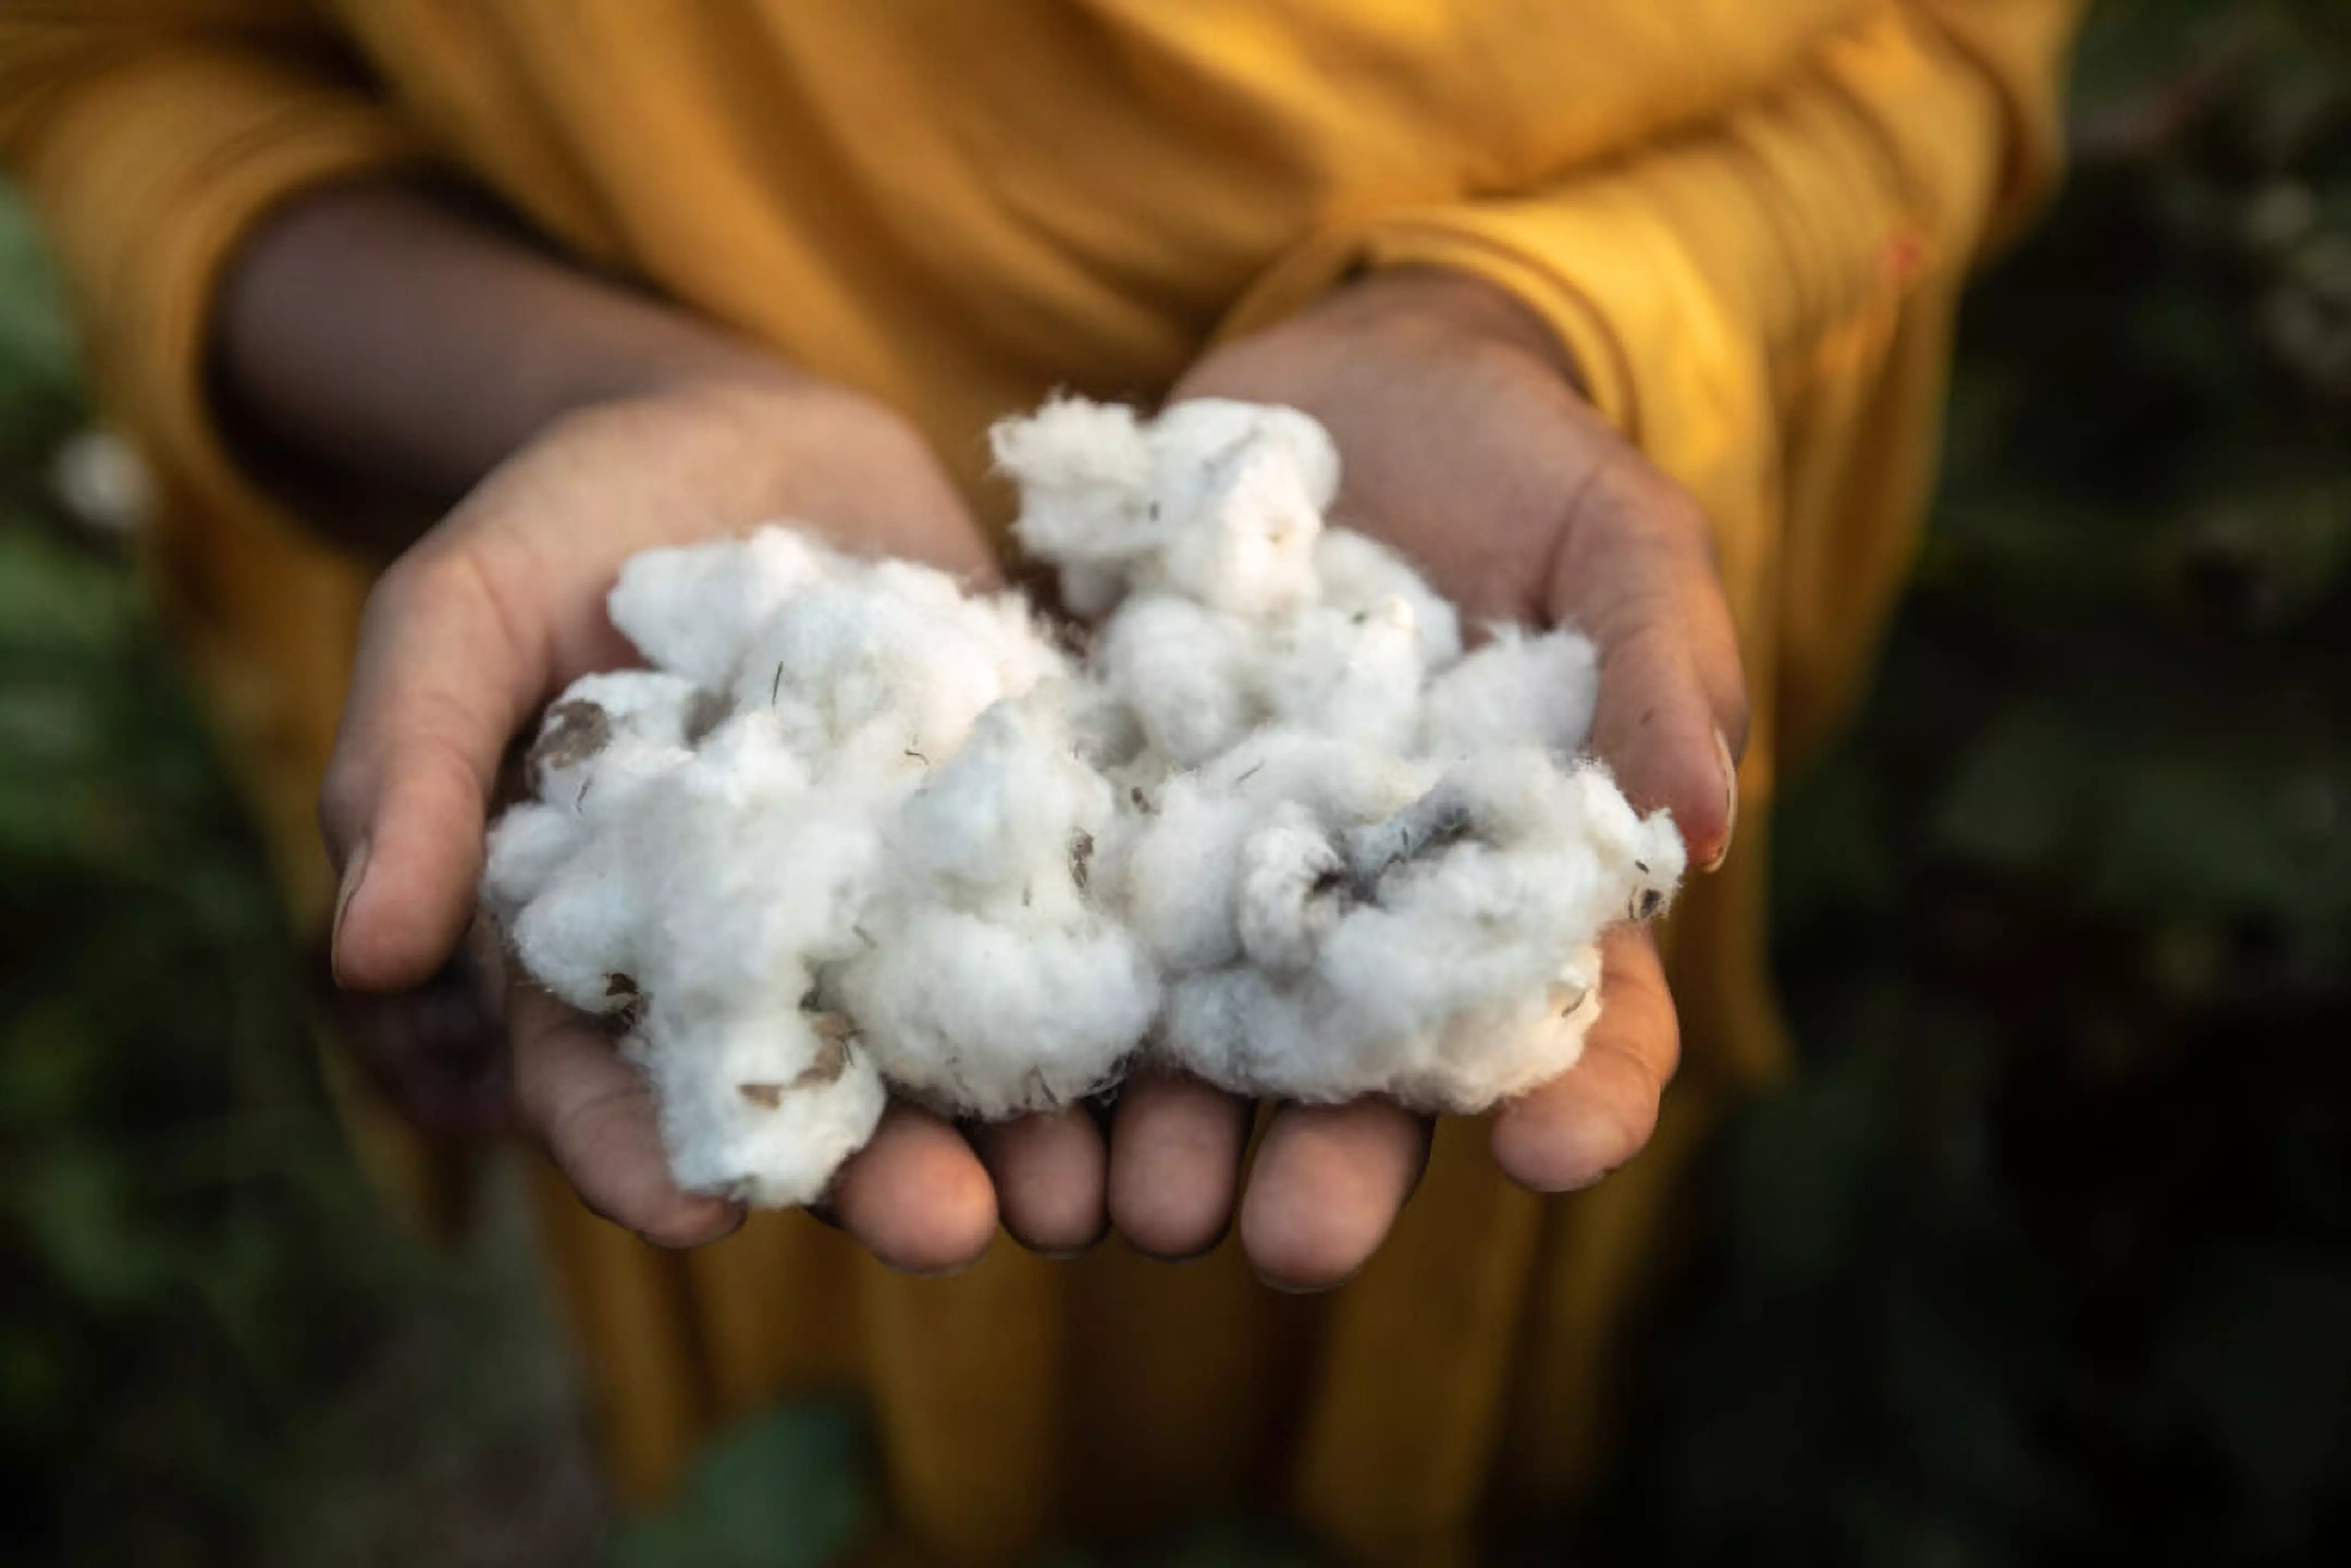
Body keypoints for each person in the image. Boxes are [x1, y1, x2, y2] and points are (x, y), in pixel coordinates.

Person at [1, 2, 2082, 1558]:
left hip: (1524, 457)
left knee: (1494, 1372)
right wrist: (597, 386)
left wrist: (1519, 315)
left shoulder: (1358, 751)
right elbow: (111, 64)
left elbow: (1951, 49)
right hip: (648, 538)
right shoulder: (833, 835)